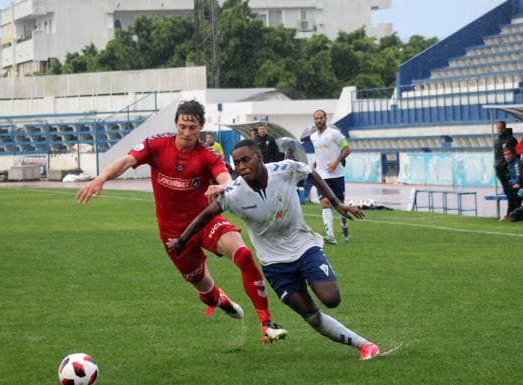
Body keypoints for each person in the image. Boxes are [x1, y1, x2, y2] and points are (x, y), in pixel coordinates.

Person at [76, 100, 287, 344]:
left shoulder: (207, 155)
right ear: (176, 124)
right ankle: (219, 300)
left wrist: (223, 186)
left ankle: (266, 323)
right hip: (174, 235)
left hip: (204, 221)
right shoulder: (156, 145)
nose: (187, 133)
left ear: (201, 127)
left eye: (193, 128)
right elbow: (126, 161)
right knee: (205, 291)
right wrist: (101, 178)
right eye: (183, 126)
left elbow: (225, 177)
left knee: (243, 255)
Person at [166, 139, 385, 361]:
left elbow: (310, 173)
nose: (241, 166)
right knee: (310, 314)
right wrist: (182, 241)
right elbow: (207, 214)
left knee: (331, 298)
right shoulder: (234, 193)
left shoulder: (285, 169)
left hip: (303, 247)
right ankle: (365, 346)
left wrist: (337, 204)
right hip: (274, 265)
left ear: (259, 157)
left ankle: (359, 338)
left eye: (246, 160)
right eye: (237, 163)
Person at [309, 109, 351, 244]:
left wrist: (336, 162)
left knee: (339, 204)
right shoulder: (313, 136)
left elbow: (347, 149)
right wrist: (316, 161)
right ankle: (330, 236)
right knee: (325, 202)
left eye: (321, 118)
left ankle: (344, 225)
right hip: (321, 175)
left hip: (336, 174)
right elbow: (319, 151)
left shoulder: (335, 134)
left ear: (325, 118)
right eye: (316, 118)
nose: (318, 121)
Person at [493, 121, 518, 217]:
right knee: (507, 191)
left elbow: (516, 154)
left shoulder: (510, 140)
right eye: (498, 128)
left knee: (511, 191)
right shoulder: (496, 141)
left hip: (508, 169)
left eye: (501, 128)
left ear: (504, 128)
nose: (499, 130)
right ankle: (511, 212)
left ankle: (511, 212)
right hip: (499, 169)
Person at [500, 146, 523, 221]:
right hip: (514, 184)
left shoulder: (517, 163)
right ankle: (510, 213)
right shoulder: (509, 164)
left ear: (513, 154)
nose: (506, 156)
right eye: (505, 154)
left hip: (522, 184)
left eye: (508, 154)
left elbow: (518, 177)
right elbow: (509, 179)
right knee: (509, 191)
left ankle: (514, 213)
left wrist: (515, 183)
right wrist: (512, 183)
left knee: (515, 191)